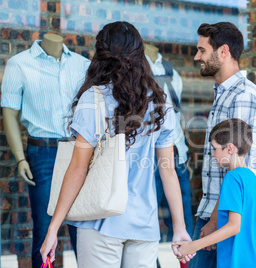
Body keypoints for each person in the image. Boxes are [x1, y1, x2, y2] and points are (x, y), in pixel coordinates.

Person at [39, 21, 193, 267]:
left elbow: (78, 170)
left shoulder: (93, 98)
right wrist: (180, 228)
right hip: (144, 225)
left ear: (101, 54)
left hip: (101, 221)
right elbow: (168, 170)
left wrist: (53, 229)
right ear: (139, 55)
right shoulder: (161, 104)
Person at [1, 33, 90, 267]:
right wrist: (21, 158)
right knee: (44, 225)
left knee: (83, 228)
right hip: (43, 153)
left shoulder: (83, 65)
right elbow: (9, 112)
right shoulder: (20, 64)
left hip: (78, 150)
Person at [188, 22, 256, 268]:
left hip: (227, 217)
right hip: (221, 213)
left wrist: (214, 221)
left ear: (223, 51)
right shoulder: (224, 94)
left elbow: (241, 166)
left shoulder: (242, 96)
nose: (196, 57)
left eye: (202, 50)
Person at [173, 119, 256, 268]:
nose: (212, 154)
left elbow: (234, 226)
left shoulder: (232, 177)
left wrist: (193, 246)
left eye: (215, 148)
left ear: (230, 149)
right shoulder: (253, 180)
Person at [145, 44, 193, 268]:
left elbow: (176, 114)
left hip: (178, 157)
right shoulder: (136, 68)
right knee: (147, 226)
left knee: (185, 226)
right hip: (148, 162)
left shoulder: (171, 72)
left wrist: (182, 153)